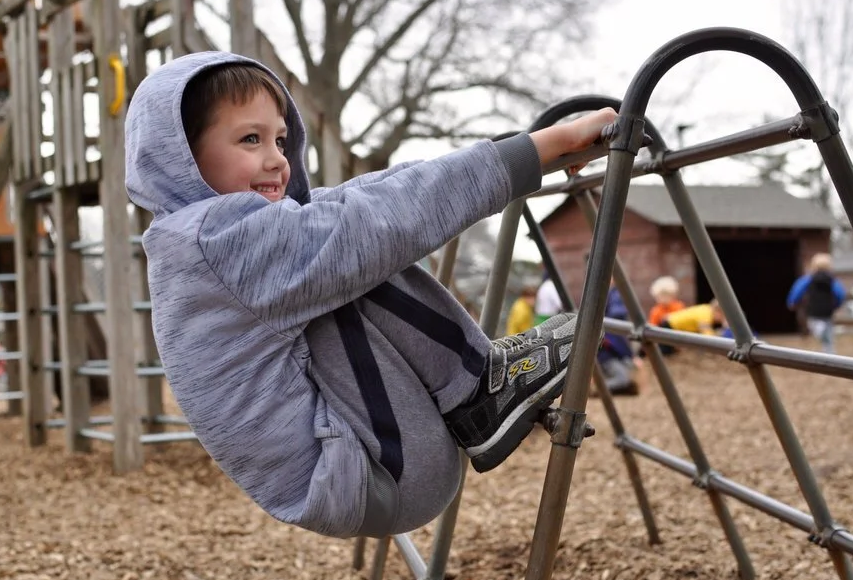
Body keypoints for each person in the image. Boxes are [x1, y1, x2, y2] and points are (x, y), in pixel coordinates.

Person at [125, 52, 617, 539]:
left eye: (280, 139)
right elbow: (375, 221)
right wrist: (537, 151)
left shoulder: (194, 241)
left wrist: (524, 153)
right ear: (182, 157)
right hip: (373, 471)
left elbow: (361, 196)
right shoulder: (220, 243)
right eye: (250, 139)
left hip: (360, 464)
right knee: (355, 246)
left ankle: (477, 386)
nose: (276, 159)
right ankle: (478, 390)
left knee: (345, 234)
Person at [786, 253, 846, 354]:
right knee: (828, 334)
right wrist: (837, 305)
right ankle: (830, 351)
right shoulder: (832, 281)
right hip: (827, 311)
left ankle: (820, 331)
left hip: (813, 311)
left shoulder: (808, 279)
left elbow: (798, 290)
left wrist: (792, 302)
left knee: (815, 326)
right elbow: (840, 294)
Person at [647, 276, 685, 355]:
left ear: (673, 295)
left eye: (666, 295)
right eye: (661, 296)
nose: (664, 298)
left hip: (677, 338)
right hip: (662, 339)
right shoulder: (656, 310)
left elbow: (683, 325)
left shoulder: (678, 307)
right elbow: (653, 326)